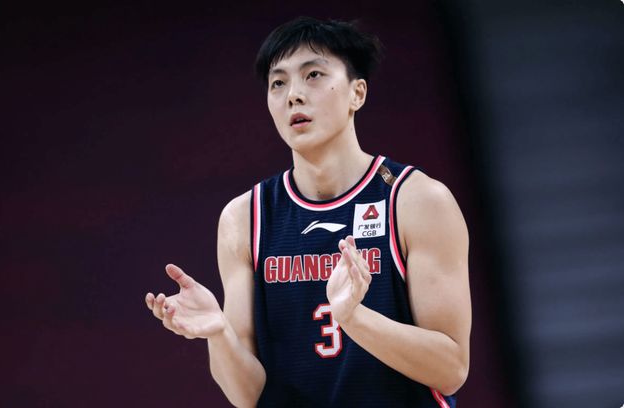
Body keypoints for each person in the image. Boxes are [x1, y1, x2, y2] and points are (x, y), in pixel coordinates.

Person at [145, 16, 471, 408]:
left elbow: (451, 369)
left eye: (313, 75)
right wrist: (218, 334)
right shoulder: (245, 218)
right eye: (278, 83)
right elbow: (248, 397)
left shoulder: (417, 201)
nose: (294, 96)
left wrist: (354, 318)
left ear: (357, 93)